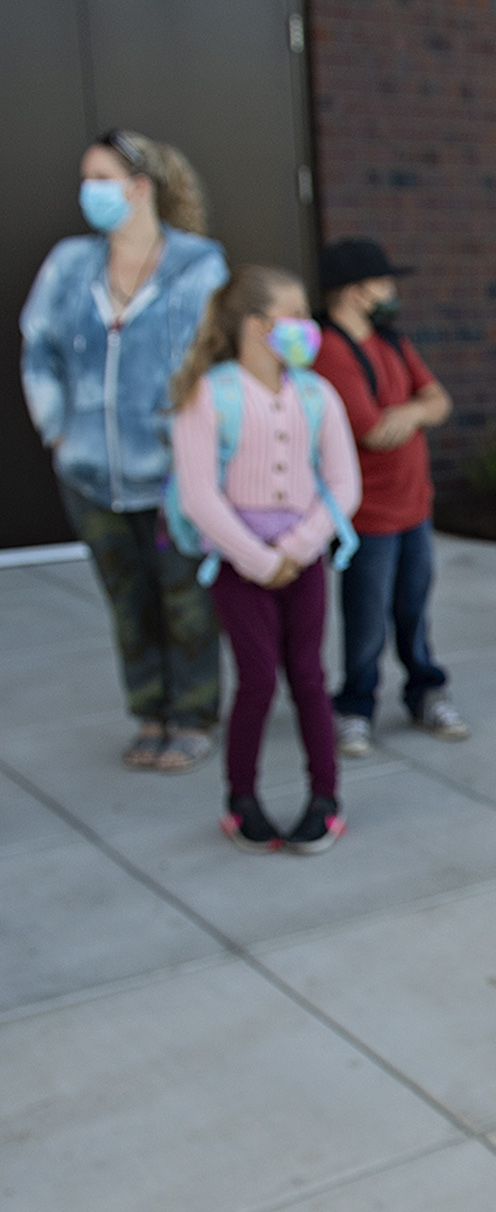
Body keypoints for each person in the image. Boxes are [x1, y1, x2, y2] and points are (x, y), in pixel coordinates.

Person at [20, 129, 228, 772]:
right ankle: (149, 713)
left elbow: (208, 360)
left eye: (102, 178)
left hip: (170, 478)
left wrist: (192, 448)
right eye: (88, 179)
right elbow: (39, 349)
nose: (90, 191)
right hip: (89, 473)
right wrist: (58, 429)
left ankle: (193, 713)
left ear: (140, 188)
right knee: (126, 600)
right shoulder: (69, 264)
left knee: (184, 598)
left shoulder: (197, 263)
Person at [165, 266, 361, 855]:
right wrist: (256, 559)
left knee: (308, 677)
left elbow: (343, 484)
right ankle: (241, 798)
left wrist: (298, 550)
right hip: (238, 563)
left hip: (301, 562)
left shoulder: (316, 394)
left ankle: (325, 799)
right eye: (296, 315)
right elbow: (199, 495)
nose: (309, 327)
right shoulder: (207, 395)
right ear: (256, 326)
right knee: (255, 680)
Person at [313, 238, 466, 756]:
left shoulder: (392, 342)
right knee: (366, 619)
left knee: (412, 610)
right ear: (355, 293)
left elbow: (439, 400)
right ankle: (354, 708)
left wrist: (411, 413)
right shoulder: (330, 350)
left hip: (413, 507)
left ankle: (426, 692)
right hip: (367, 517)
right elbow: (371, 430)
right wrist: (411, 412)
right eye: (383, 282)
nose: (392, 291)